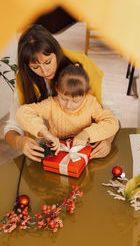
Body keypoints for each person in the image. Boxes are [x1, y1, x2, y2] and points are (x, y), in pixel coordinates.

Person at [4, 24, 119, 162]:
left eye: (48, 62)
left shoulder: (84, 70)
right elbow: (14, 124)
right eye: (35, 67)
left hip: (89, 150)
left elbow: (113, 115)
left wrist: (106, 140)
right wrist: (20, 142)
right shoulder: (31, 87)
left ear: (56, 51)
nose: (45, 72)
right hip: (51, 155)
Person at [16, 64, 119, 155]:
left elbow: (112, 122)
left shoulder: (90, 103)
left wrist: (86, 134)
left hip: (86, 151)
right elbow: (23, 112)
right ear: (57, 88)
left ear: (86, 93)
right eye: (64, 98)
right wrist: (44, 132)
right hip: (57, 152)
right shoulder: (51, 104)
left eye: (76, 101)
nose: (68, 105)